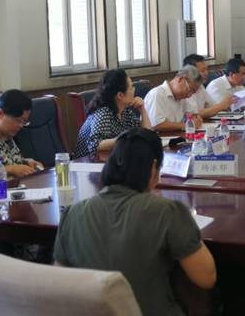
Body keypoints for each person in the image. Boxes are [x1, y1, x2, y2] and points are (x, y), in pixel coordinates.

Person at [54, 128, 216, 316]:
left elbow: (59, 284)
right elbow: (206, 277)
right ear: (154, 168)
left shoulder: (72, 214)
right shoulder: (167, 211)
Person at [73, 69, 151, 158]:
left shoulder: (125, 112)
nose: (134, 90)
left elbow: (147, 135)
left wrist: (142, 109)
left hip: (111, 158)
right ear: (120, 95)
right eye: (131, 87)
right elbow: (94, 145)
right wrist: (124, 138)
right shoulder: (103, 113)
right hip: (87, 163)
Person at [0, 89, 43, 184]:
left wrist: (25, 162)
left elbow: (8, 159)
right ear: (0, 113)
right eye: (18, 120)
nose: (21, 126)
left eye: (24, 122)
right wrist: (9, 169)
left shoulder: (9, 133)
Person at [144, 65, 203, 132]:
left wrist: (195, 119)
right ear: (181, 79)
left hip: (176, 135)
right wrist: (186, 125)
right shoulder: (157, 94)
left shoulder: (183, 96)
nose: (189, 95)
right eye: (190, 90)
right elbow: (157, 125)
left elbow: (192, 114)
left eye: (193, 92)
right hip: (158, 137)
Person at [183, 54, 235, 118]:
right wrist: (221, 106)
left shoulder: (200, 86)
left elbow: (211, 105)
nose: (206, 73)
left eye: (206, 69)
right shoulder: (185, 89)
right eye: (202, 70)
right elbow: (194, 114)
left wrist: (226, 105)